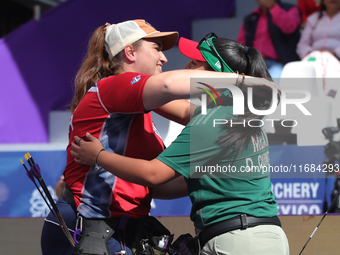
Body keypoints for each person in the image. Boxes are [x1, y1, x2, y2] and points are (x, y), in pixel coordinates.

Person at [41, 20, 277, 255]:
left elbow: (190, 115)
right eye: (157, 49)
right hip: (88, 228)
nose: (164, 58)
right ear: (130, 52)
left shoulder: (136, 100)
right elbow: (167, 86)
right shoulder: (115, 85)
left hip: (115, 231)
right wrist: (243, 82)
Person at [237, 0, 301, 80]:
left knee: (270, 83)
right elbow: (241, 45)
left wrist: (272, 7)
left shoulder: (290, 9)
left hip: (281, 64)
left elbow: (289, 27)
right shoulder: (251, 18)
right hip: (254, 63)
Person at [296, 0, 340, 97]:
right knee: (308, 69)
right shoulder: (313, 19)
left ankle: (330, 99)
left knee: (330, 68)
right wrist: (311, 52)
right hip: (314, 57)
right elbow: (302, 44)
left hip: (337, 59)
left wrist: (334, 53)